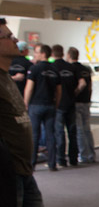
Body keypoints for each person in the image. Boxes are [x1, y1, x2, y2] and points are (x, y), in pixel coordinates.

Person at [0, 18, 62, 207]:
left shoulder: (6, 78)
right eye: (8, 37)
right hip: (6, 178)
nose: (15, 40)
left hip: (24, 174)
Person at [23, 43, 61, 172]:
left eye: (37, 52)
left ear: (43, 54)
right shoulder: (55, 70)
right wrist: (56, 104)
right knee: (51, 135)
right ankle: (52, 163)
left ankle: (32, 164)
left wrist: (25, 103)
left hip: (36, 105)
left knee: (34, 135)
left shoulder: (35, 69)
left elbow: (29, 88)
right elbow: (58, 90)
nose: (35, 55)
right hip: (50, 105)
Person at [51, 44, 78, 168]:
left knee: (59, 132)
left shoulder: (53, 68)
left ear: (52, 53)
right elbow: (78, 85)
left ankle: (61, 159)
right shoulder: (71, 68)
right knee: (72, 132)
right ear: (63, 53)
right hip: (71, 103)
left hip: (59, 104)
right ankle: (73, 159)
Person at [67, 47, 95, 164]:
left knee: (79, 129)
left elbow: (82, 84)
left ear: (69, 55)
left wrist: (75, 93)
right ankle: (91, 155)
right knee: (87, 128)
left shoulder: (71, 69)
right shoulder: (86, 69)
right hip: (86, 101)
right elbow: (89, 85)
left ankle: (83, 155)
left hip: (77, 102)